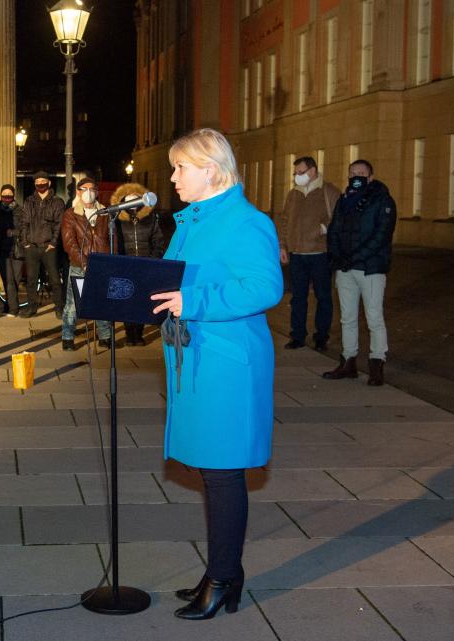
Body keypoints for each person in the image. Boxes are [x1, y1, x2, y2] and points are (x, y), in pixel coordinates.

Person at [148, 129, 283, 621]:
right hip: (196, 361)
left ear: (210, 169)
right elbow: (176, 279)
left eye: (180, 167)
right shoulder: (193, 221)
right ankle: (220, 571)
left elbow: (265, 287)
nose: (173, 177)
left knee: (223, 474)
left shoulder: (247, 222)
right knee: (209, 470)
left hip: (228, 365)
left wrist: (195, 302)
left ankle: (225, 577)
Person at [322, 159, 397, 386]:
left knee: (374, 317)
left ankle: (377, 362)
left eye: (361, 173)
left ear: (370, 177)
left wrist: (356, 257)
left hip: (370, 268)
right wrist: (337, 256)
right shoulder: (344, 201)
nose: (356, 176)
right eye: (352, 172)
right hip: (345, 269)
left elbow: (381, 235)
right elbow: (334, 230)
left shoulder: (383, 200)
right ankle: (348, 361)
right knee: (348, 317)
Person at [277, 156, 340, 351]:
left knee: (323, 296)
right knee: (298, 297)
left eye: (301, 172)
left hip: (320, 253)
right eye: (295, 173)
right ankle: (297, 335)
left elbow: (340, 218)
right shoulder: (293, 194)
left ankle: (321, 336)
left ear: (312, 171)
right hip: (297, 253)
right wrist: (283, 246)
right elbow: (285, 220)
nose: (297, 176)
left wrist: (323, 228)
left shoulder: (328, 192)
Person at [59, 175, 112, 351]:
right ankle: (67, 337)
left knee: (101, 302)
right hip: (79, 266)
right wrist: (84, 263)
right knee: (73, 304)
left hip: (102, 265)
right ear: (78, 192)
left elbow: (112, 240)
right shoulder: (71, 214)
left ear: (96, 192)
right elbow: (70, 243)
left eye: (92, 189)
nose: (88, 193)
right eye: (84, 189)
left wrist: (112, 262)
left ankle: (105, 335)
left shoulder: (105, 213)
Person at [111, 181, 164, 346]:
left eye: (136, 198)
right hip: (125, 266)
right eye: (129, 198)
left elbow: (158, 241)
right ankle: (129, 333)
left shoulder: (150, 218)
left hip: (144, 265)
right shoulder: (117, 219)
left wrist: (152, 260)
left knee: (141, 301)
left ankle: (138, 334)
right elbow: (113, 241)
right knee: (127, 301)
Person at [16, 170, 65, 318]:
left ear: (49, 183)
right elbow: (23, 222)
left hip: (48, 247)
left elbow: (59, 224)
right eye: (37, 183)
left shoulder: (57, 202)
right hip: (32, 246)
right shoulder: (29, 201)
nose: (40, 185)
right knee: (31, 280)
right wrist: (25, 242)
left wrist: (53, 243)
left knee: (55, 279)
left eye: (43, 182)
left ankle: (59, 308)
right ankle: (32, 307)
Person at [0, 183, 24, 317]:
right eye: (4, 195)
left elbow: (25, 229)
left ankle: (9, 305)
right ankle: (14, 309)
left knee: (15, 280)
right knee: (8, 280)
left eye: (9, 195)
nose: (7, 197)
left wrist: (13, 232)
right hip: (2, 250)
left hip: (17, 249)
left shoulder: (20, 210)